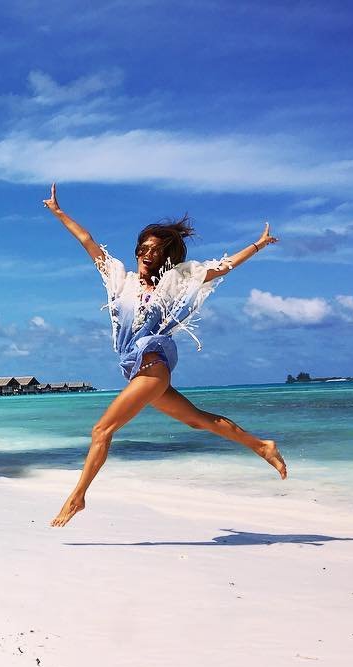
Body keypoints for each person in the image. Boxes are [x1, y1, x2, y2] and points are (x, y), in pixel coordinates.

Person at [42, 183, 287, 527]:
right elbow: (88, 241)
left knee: (101, 430)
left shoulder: (174, 284)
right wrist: (59, 212)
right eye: (143, 249)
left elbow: (223, 267)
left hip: (154, 367)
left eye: (156, 251)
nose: (147, 254)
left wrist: (258, 245)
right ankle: (262, 446)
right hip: (138, 371)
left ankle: (77, 497)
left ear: (165, 257)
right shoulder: (120, 280)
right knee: (197, 420)